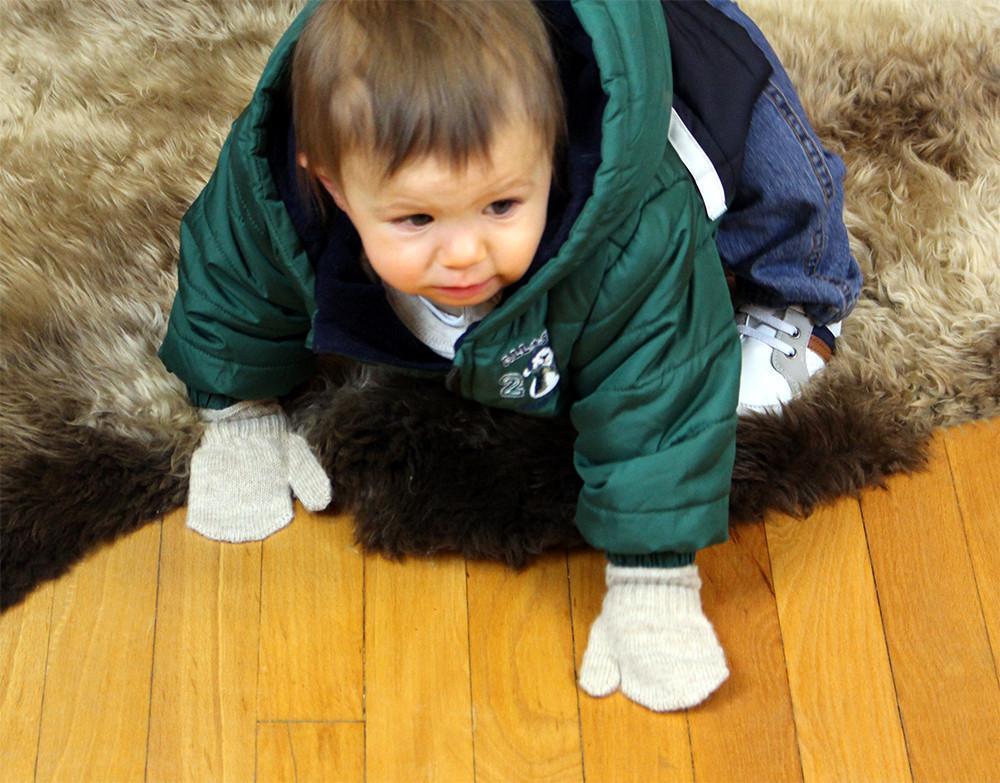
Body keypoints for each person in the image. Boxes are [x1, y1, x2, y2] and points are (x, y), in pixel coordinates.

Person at [158, 0, 861, 713]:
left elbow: (660, 382)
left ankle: (804, 301)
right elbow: (232, 275)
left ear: (553, 150)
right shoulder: (273, 183)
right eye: (417, 218)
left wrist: (653, 582)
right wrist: (237, 411)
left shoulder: (637, 224)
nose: (465, 253)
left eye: (501, 206)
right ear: (332, 185)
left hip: (688, 43)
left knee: (778, 175)